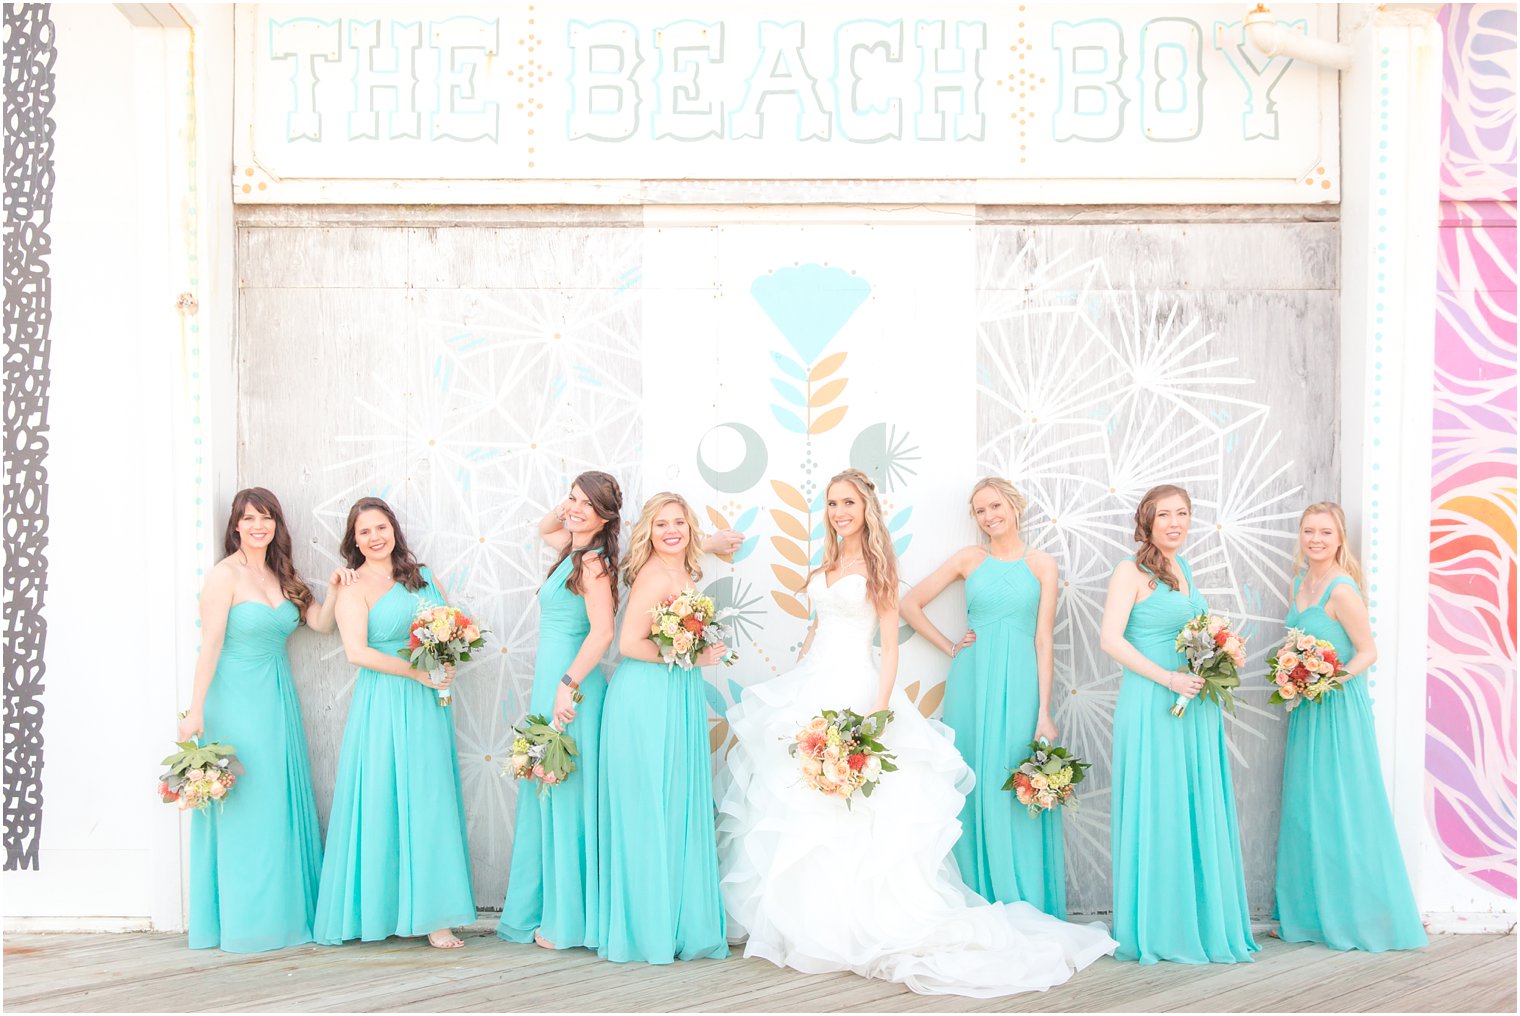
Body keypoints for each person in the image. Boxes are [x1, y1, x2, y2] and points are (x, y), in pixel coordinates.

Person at [716, 468, 1116, 997]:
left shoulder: (880, 565)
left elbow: (889, 639)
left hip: (861, 687)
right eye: (833, 503)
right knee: (804, 801)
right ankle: (813, 920)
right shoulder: (827, 564)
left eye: (849, 504)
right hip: (814, 681)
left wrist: (877, 710)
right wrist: (800, 668)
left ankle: (860, 920)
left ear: (866, 510)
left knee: (858, 805)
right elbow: (818, 626)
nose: (839, 512)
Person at [181, 487, 347, 952]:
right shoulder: (223, 576)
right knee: (245, 805)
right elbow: (209, 645)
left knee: (276, 801)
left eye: (267, 517)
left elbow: (318, 624)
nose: (258, 525)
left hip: (277, 700)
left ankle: (283, 916)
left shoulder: (282, 573)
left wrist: (333, 592)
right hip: (233, 700)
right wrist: (194, 710)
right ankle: (243, 921)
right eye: (249, 517)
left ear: (277, 523)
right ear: (235, 525)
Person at [1099, 484, 1257, 964]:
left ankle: (1199, 920)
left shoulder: (1183, 569)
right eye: (1163, 514)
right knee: (1159, 805)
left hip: (1194, 706)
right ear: (1145, 522)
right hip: (1152, 703)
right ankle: (1160, 926)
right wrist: (1168, 677)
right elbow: (1110, 640)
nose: (1174, 522)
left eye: (1183, 513)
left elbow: (1193, 634)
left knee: (1189, 805)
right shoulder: (1130, 571)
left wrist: (1219, 656)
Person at [313, 497, 475, 949]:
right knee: (383, 794)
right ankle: (382, 908)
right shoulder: (352, 585)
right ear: (354, 540)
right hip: (385, 698)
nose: (375, 537)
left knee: (429, 796)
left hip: (429, 702)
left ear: (394, 529)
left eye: (381, 527)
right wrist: (417, 672)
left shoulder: (419, 574)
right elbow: (357, 652)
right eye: (364, 531)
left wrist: (451, 656)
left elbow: (462, 626)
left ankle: (434, 915)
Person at [900, 476, 1066, 917]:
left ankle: (1024, 895)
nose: (989, 517)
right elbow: (909, 604)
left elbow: (1044, 640)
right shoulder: (968, 559)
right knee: (970, 775)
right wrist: (951, 647)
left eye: (995, 506)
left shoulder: (1043, 564)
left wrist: (1045, 711)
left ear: (1014, 507)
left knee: (1014, 777)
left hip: (1022, 681)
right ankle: (973, 894)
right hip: (972, 679)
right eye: (980, 511)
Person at [1274, 501, 1426, 951]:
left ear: (1340, 539)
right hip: (1308, 711)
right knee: (1311, 806)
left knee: (1346, 804)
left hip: (1338, 708)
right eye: (1308, 531)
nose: (1315, 539)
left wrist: (1326, 680)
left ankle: (1364, 915)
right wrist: (1298, 678)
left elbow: (1367, 651)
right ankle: (1313, 915)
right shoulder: (1302, 582)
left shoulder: (1341, 589)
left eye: (1325, 532)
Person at [596, 492, 729, 964]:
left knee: (675, 804)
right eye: (660, 524)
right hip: (645, 700)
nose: (671, 530)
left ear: (690, 528)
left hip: (675, 694)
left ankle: (671, 921)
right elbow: (630, 644)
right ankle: (646, 930)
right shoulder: (652, 575)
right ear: (647, 532)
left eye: (679, 522)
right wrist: (695, 655)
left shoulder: (683, 572)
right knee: (649, 808)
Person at [499, 472, 622, 950]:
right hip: (552, 683)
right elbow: (544, 526)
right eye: (572, 499)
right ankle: (550, 908)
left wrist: (567, 685)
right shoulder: (571, 550)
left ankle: (569, 921)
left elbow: (603, 632)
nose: (572, 509)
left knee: (567, 792)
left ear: (607, 516)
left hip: (572, 685)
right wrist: (573, 506)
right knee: (547, 791)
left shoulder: (593, 564)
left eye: (587, 505)